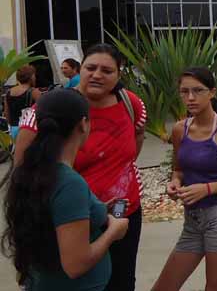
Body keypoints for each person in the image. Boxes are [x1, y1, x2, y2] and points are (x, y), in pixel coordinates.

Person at [15, 44, 147, 291]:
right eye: (91, 68)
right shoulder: (54, 107)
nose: (97, 74)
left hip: (121, 212)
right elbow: (22, 172)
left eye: (107, 70)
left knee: (122, 280)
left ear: (119, 75)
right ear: (81, 69)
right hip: (66, 218)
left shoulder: (131, 103)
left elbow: (137, 138)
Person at [2, 89, 129, 291]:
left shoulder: (34, 172)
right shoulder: (69, 183)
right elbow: (76, 265)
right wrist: (114, 231)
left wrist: (96, 209)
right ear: (83, 124)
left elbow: (56, 217)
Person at [151, 67, 217, 291]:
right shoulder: (180, 129)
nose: (190, 98)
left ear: (212, 93)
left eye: (197, 90)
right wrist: (175, 183)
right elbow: (178, 169)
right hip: (192, 221)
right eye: (184, 91)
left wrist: (207, 188)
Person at [4, 65, 41, 139]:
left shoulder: (9, 92)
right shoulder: (34, 92)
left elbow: (7, 113)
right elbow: (42, 111)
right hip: (30, 129)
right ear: (31, 77)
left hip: (14, 128)